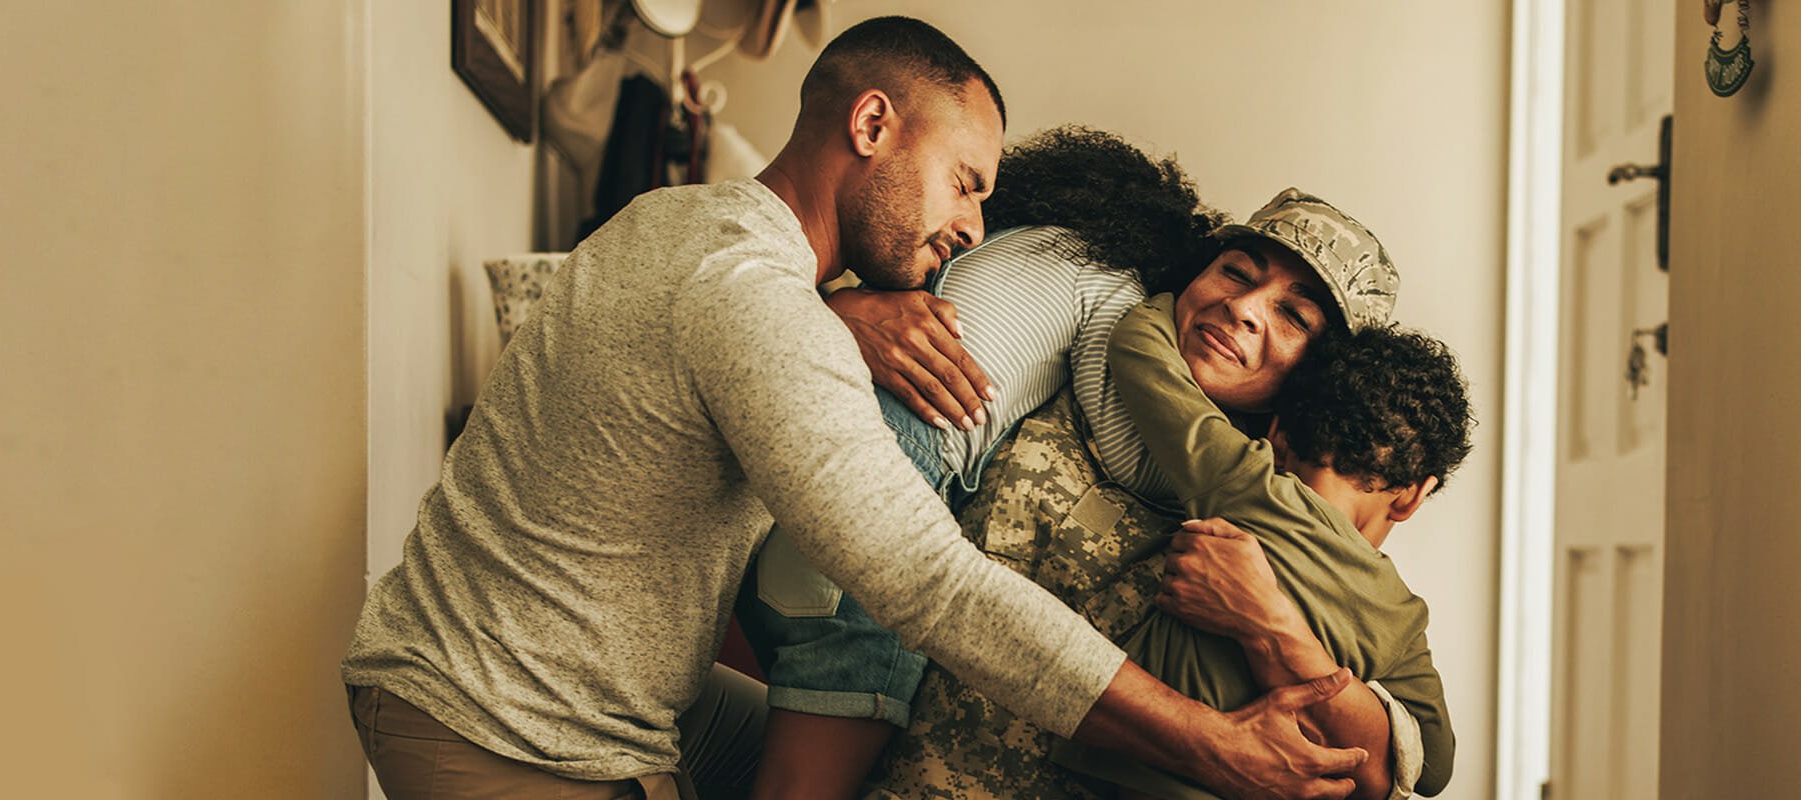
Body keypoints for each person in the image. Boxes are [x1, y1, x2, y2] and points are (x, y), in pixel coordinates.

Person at [341, 17, 1362, 800]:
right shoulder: (755, 305)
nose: (971, 227)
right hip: (495, 715)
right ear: (871, 124)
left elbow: (735, 333)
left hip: (575, 680)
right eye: (963, 184)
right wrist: (1211, 742)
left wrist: (838, 309)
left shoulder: (695, 226)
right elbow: (930, 583)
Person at [744, 135, 1443, 798]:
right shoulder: (1081, 351)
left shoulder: (1283, 537)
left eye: (1294, 317)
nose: (1243, 308)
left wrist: (1269, 621)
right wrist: (839, 310)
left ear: (1320, 379)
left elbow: (1398, 762)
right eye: (1234, 272)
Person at [1042, 297, 1474, 800]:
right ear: (1413, 495)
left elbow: (1139, 350)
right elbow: (1434, 766)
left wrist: (1165, 292)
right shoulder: (1401, 616)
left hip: (1132, 770)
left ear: (1277, 435)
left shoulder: (1247, 484)